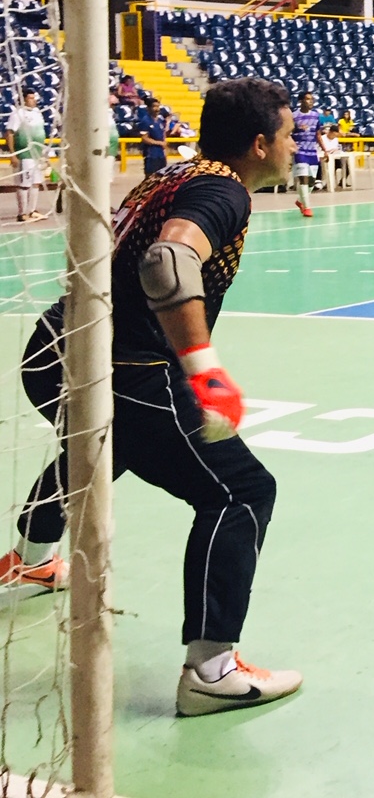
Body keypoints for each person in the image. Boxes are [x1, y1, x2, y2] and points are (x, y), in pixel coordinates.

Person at [2, 77, 303, 717]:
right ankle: (212, 670)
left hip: (51, 349)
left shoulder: (172, 174)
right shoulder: (224, 191)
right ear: (258, 144)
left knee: (102, 448)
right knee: (241, 492)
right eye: (287, 134)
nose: (293, 144)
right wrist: (206, 374)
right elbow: (168, 261)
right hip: (124, 368)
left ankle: (28, 561)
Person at [6, 89, 48, 223]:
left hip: (37, 154)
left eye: (34, 98)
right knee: (24, 184)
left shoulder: (37, 113)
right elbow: (10, 133)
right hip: (24, 154)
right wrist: (13, 154)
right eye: (30, 98)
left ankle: (32, 210)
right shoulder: (17, 114)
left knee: (36, 183)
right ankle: (22, 213)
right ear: (24, 99)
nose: (33, 100)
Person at [291, 91, 321, 218]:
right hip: (299, 150)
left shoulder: (316, 116)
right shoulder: (293, 116)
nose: (311, 101)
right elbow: (287, 133)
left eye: (312, 99)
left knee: (312, 182)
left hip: (312, 151)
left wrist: (324, 149)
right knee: (303, 178)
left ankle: (300, 200)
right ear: (301, 101)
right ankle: (307, 208)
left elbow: (318, 134)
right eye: (308, 99)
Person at [138, 98, 169, 178]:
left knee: (161, 178)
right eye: (154, 107)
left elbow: (163, 134)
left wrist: (164, 149)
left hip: (160, 154)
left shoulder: (160, 120)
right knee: (150, 178)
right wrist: (159, 143)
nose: (157, 109)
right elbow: (144, 138)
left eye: (158, 106)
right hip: (151, 154)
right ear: (148, 108)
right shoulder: (145, 121)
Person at [318, 124, 349, 189]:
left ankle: (342, 182)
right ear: (330, 132)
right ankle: (325, 182)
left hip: (335, 158)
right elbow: (320, 151)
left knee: (346, 166)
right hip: (325, 159)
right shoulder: (322, 139)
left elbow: (337, 148)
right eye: (334, 134)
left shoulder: (335, 139)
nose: (334, 136)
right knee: (328, 167)